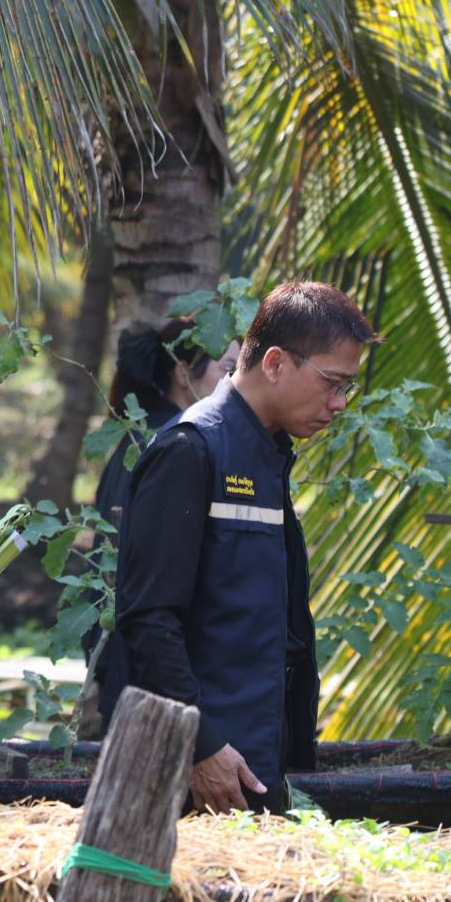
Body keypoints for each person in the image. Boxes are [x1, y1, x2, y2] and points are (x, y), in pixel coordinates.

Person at [115, 280, 380, 814]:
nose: (340, 403)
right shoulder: (191, 450)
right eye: (333, 382)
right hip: (199, 774)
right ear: (276, 363)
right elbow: (148, 619)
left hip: (253, 765)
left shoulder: (266, 453)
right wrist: (202, 745)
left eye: (348, 387)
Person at [86, 319, 239, 725]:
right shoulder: (178, 448)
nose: (236, 383)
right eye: (228, 369)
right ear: (182, 373)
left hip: (126, 669)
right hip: (153, 687)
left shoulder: (139, 441)